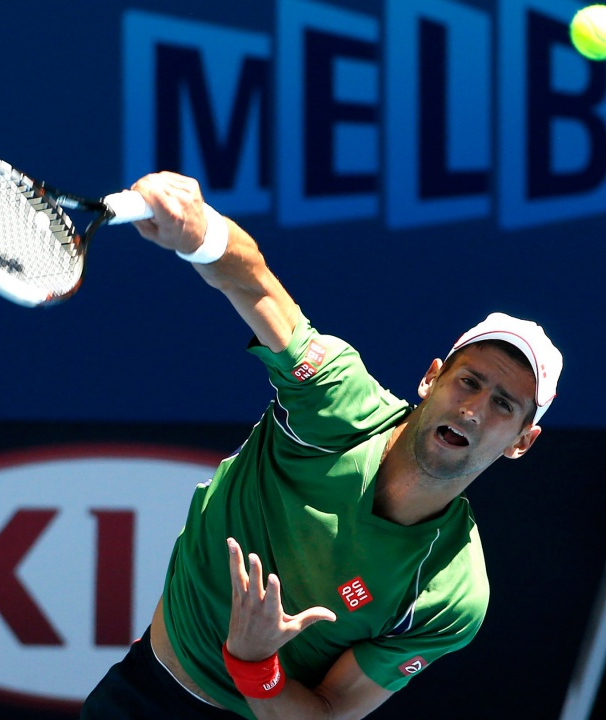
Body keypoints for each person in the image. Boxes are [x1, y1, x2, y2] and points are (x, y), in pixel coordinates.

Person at [80, 171, 562, 720]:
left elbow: (330, 714)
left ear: (523, 441)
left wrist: (254, 662)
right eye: (468, 381)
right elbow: (253, 282)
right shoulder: (334, 402)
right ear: (431, 379)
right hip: (144, 692)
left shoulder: (451, 591)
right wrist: (199, 230)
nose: (473, 411)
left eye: (504, 405)